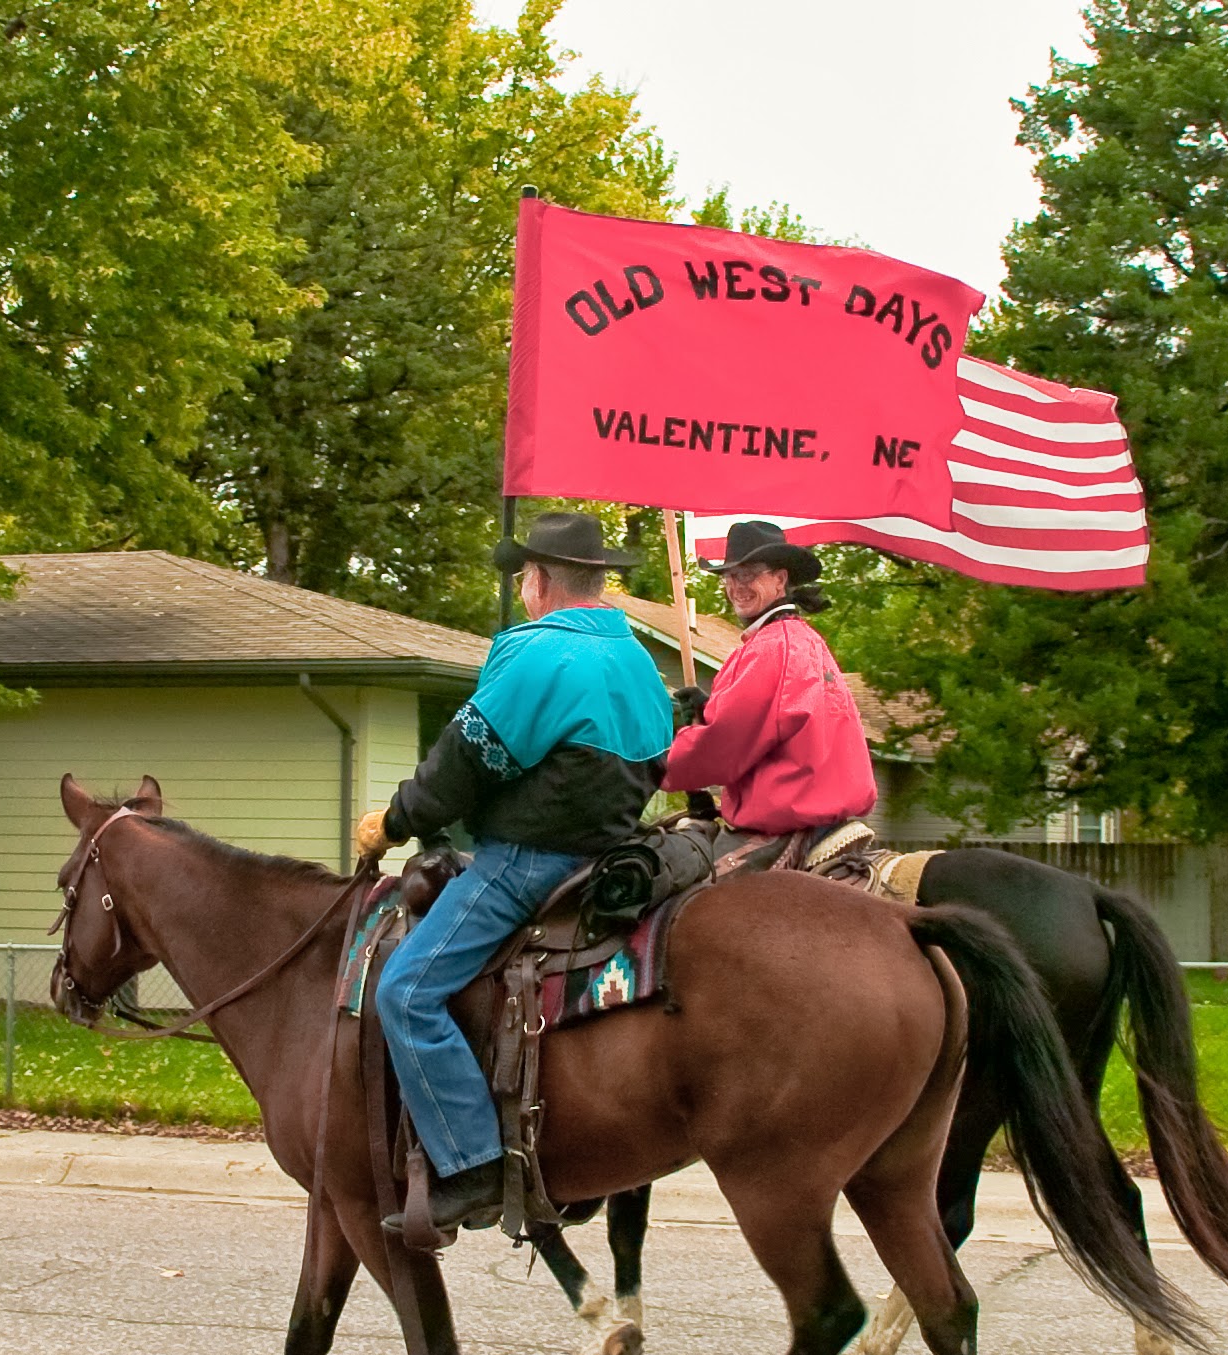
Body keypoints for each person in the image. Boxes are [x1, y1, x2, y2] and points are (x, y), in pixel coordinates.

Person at [355, 514, 673, 1235]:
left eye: (525, 576)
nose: (524, 588)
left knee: (406, 992)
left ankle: (472, 1166)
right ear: (598, 580)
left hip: (529, 861)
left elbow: (465, 762)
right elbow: (660, 761)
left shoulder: (535, 653)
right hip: (609, 855)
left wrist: (398, 820)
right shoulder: (635, 656)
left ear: (538, 580)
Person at [661, 520, 876, 834]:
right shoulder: (806, 640)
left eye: (748, 574)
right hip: (824, 817)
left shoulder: (770, 648)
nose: (736, 586)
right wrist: (709, 711)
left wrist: (660, 765)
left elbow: (725, 745)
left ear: (780, 579)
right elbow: (774, 723)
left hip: (787, 822)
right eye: (730, 576)